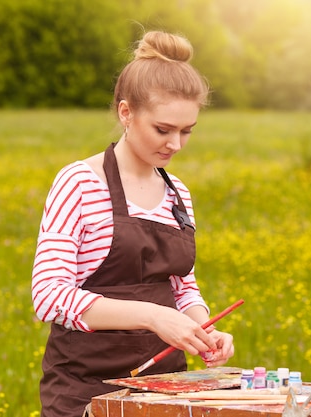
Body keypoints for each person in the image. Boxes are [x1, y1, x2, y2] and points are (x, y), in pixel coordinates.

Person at [31, 30, 235, 417]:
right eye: (163, 129)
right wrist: (153, 316)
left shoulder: (178, 194)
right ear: (126, 113)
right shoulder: (80, 183)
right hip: (85, 390)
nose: (175, 144)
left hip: (164, 389)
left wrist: (203, 330)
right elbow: (49, 294)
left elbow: (182, 286)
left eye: (186, 131)